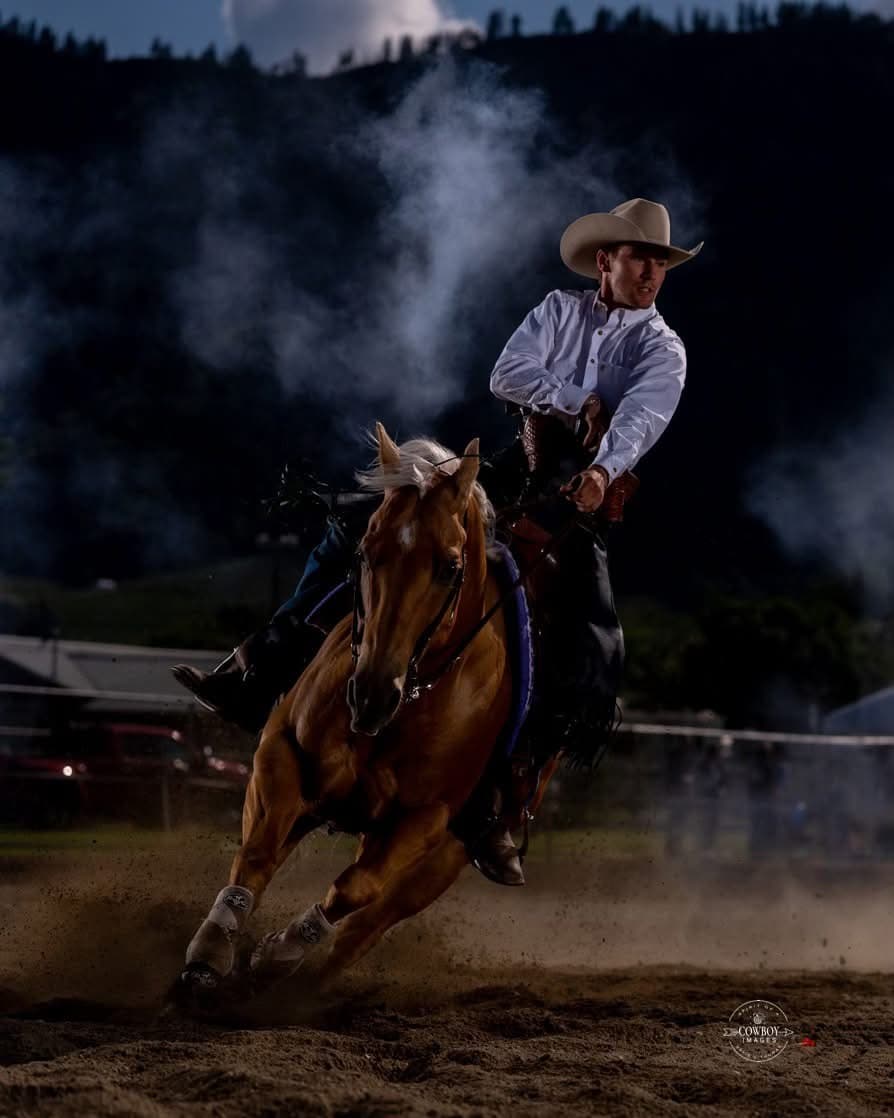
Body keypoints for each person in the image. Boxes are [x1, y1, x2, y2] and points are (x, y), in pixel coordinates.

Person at [174, 197, 701, 885]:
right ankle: (262, 664)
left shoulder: (662, 348)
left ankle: (506, 800)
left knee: (594, 646)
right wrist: (577, 402)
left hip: (583, 498)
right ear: (607, 260)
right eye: (642, 257)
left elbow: (643, 419)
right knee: (370, 533)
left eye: (660, 261)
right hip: (518, 471)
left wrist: (602, 468)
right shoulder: (557, 310)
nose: (653, 272)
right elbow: (506, 373)